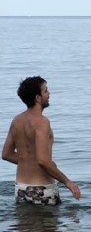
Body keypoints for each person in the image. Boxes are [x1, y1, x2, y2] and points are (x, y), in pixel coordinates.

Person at [3, 76, 81, 204]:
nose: (49, 94)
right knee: (49, 223)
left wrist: (29, 161)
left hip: (21, 188)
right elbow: (43, 160)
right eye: (45, 91)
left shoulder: (16, 121)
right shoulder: (41, 122)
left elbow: (6, 154)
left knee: (24, 224)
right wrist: (68, 182)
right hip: (42, 190)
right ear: (37, 98)